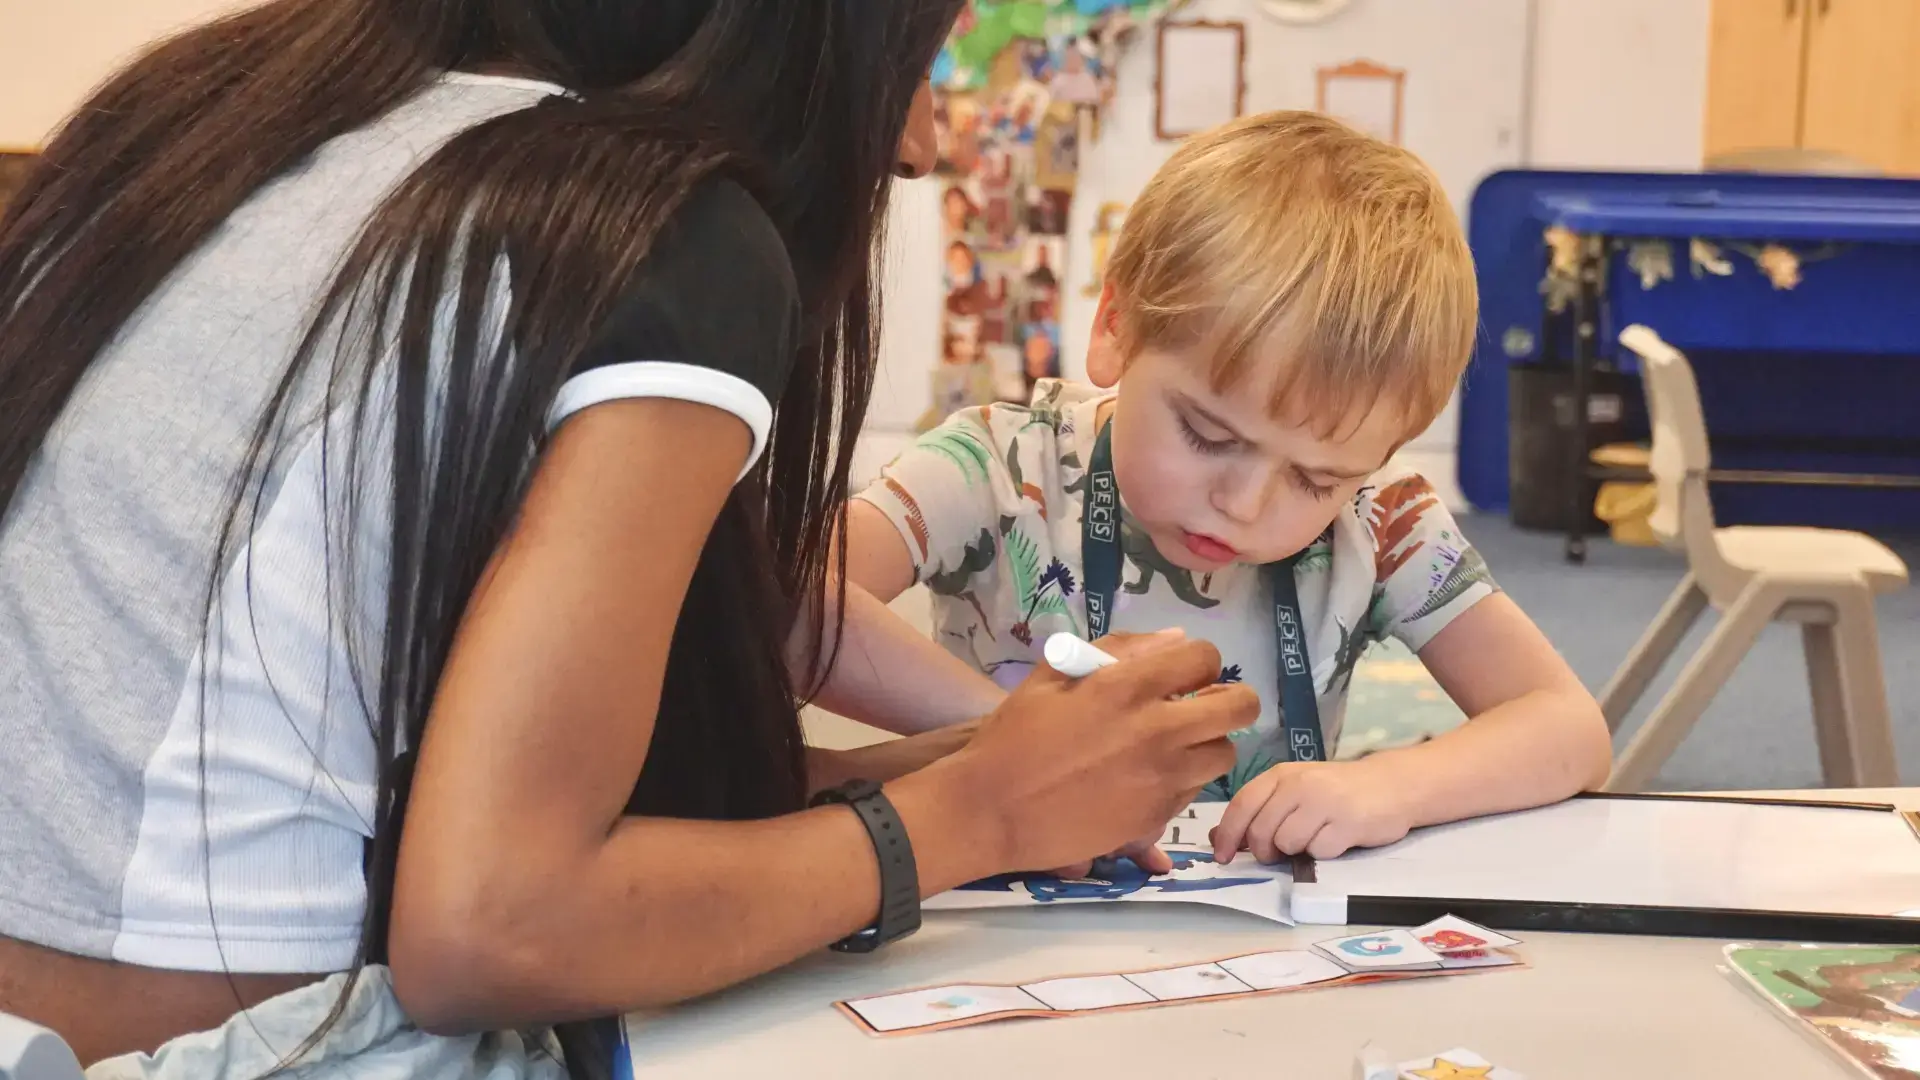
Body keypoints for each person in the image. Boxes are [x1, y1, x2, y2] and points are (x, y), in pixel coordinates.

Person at [0, 2, 1257, 1078]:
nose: (923, 143)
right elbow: (494, 923)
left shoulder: (206, 118)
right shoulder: (643, 232)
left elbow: (380, 788)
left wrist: (967, 776)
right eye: (919, 60)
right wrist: (976, 817)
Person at [842, 111, 1613, 866]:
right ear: (1115, 326)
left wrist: (1390, 787)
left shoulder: (1378, 517)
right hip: (985, 906)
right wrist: (1013, 737)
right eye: (1209, 436)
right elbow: (776, 605)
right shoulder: (994, 465)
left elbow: (1570, 730)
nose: (1244, 505)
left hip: (1236, 931)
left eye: (1315, 478)